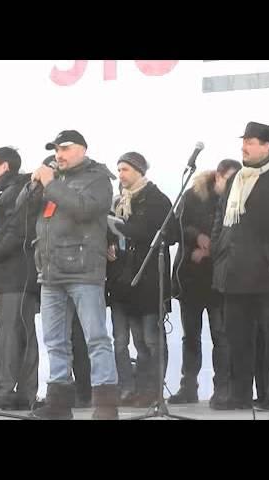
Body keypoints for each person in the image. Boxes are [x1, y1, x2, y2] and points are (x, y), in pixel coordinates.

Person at [25, 130, 119, 420]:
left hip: (83, 270)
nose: (59, 154)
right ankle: (58, 404)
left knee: (96, 338)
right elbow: (22, 210)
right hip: (50, 271)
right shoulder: (53, 178)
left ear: (83, 149)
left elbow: (83, 209)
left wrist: (51, 184)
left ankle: (105, 405)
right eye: (56, 149)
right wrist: (33, 186)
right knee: (55, 341)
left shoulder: (98, 179)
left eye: (65, 148)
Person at [211, 121, 269, 411]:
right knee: (237, 338)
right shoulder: (237, 178)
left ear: (268, 146)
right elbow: (221, 218)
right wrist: (219, 250)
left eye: (250, 141)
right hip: (234, 272)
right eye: (243, 141)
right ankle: (239, 395)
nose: (244, 146)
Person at [169, 159, 241, 409]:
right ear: (218, 176)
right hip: (191, 277)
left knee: (221, 336)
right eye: (228, 179)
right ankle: (188, 386)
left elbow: (236, 234)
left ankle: (223, 388)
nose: (231, 185)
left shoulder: (237, 199)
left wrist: (210, 250)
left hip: (219, 279)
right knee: (190, 336)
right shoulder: (192, 195)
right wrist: (196, 236)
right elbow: (176, 227)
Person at [106, 152, 176, 408]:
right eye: (119, 170)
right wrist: (109, 243)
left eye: (125, 169)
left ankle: (152, 389)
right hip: (123, 280)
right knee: (131, 340)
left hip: (148, 279)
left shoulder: (156, 199)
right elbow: (110, 232)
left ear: (139, 171)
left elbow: (171, 234)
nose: (121, 175)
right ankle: (131, 389)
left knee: (151, 339)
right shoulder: (117, 201)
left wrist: (127, 229)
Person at [0, 146, 39, 411]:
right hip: (17, 275)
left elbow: (17, 233)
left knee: (8, 336)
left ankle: (4, 391)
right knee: (22, 335)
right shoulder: (16, 191)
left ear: (5, 166)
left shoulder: (15, 192)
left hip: (14, 275)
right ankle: (25, 392)